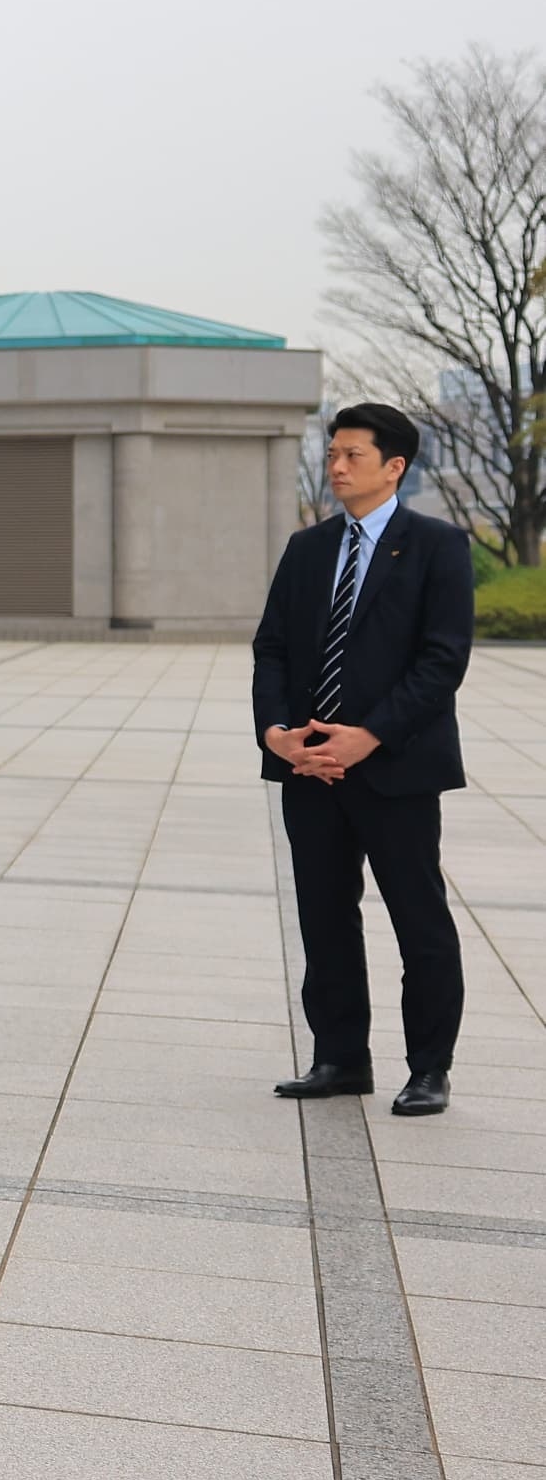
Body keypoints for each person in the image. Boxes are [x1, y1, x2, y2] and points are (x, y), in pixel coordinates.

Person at [256, 401, 473, 1116]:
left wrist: (369, 734)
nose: (337, 466)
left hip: (396, 770)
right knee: (324, 918)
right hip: (309, 769)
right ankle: (340, 1058)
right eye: (332, 454)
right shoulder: (307, 549)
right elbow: (272, 649)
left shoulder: (438, 546)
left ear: (394, 466)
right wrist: (277, 733)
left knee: (419, 919)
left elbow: (441, 662)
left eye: (352, 455)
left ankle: (429, 1069)